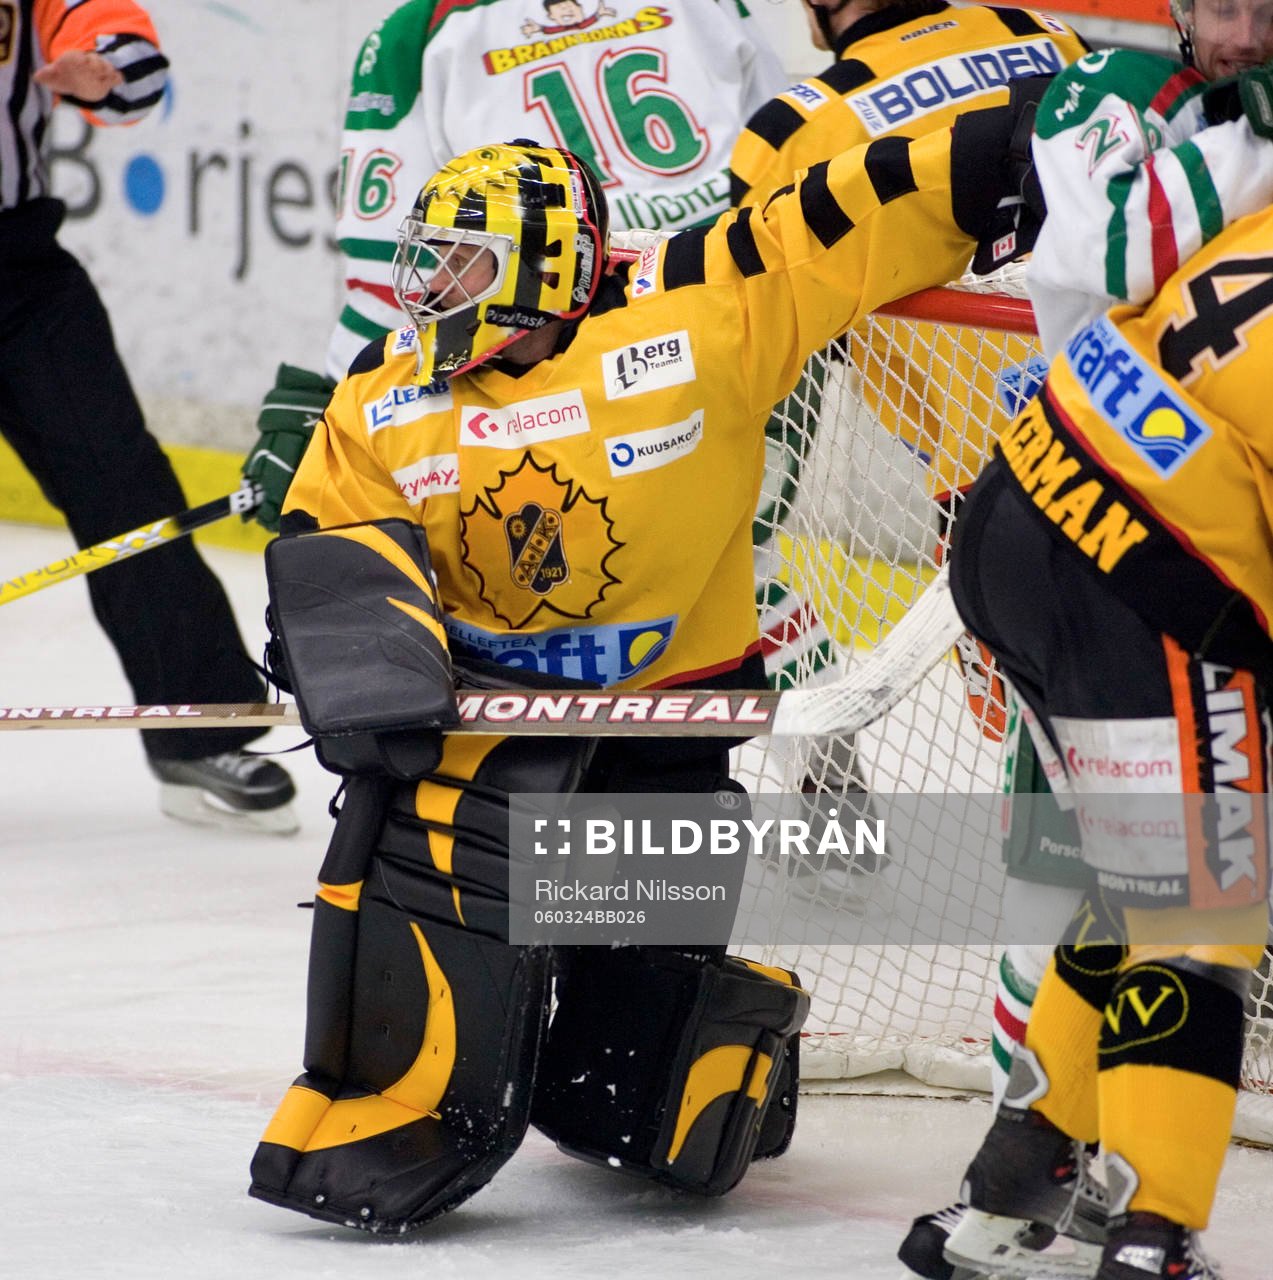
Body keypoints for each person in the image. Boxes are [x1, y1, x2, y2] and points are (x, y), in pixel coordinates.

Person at [245, 126, 1028, 1234]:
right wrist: (360, 662)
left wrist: (1012, 142)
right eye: (427, 257)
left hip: (673, 712)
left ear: (545, 270)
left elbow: (858, 204)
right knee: (438, 922)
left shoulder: (704, 315)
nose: (427, 286)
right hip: (477, 725)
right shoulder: (382, 391)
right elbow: (332, 544)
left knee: (645, 1082)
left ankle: (684, 1044)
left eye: (460, 261)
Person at [901, 5, 1273, 1277]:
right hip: (1138, 560)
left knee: (1135, 881)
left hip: (1018, 502)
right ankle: (1155, 1234)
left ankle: (1006, 1193)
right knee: (1207, 905)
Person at [728, 0, 1087, 849]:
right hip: (1146, 424)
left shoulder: (790, 131)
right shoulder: (1036, 29)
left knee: (1043, 752)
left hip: (993, 489)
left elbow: (758, 302)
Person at [243, 0, 787, 533]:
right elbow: (788, 158)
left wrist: (336, 413)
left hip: (572, 358)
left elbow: (388, 268)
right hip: (732, 321)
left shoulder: (421, 28)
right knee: (736, 567)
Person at [0, 0, 296, 832]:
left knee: (123, 483)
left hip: (18, 273)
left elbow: (117, 44)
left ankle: (199, 728)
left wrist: (106, 65)